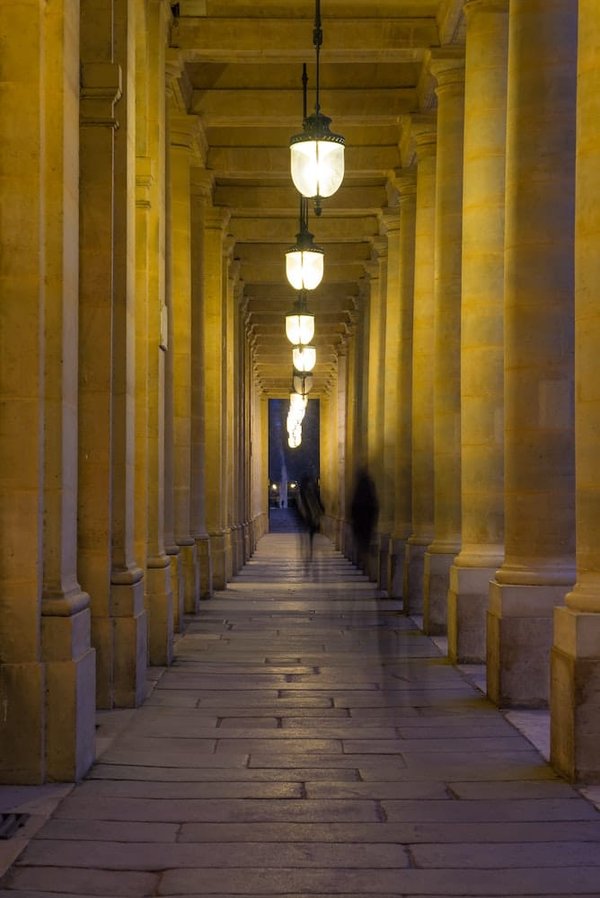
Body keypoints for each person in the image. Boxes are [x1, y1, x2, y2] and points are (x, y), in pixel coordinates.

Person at [350, 466, 379, 570]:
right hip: (368, 521)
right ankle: (367, 564)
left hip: (359, 521)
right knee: (366, 542)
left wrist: (352, 519)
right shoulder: (370, 488)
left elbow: (353, 507)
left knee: (360, 542)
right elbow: (375, 505)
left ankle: (362, 561)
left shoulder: (358, 491)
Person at [297, 475, 324, 562]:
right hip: (311, 516)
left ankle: (309, 550)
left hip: (308, 516)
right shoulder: (313, 492)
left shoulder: (302, 492)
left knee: (309, 534)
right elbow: (319, 503)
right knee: (311, 534)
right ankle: (311, 550)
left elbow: (300, 505)